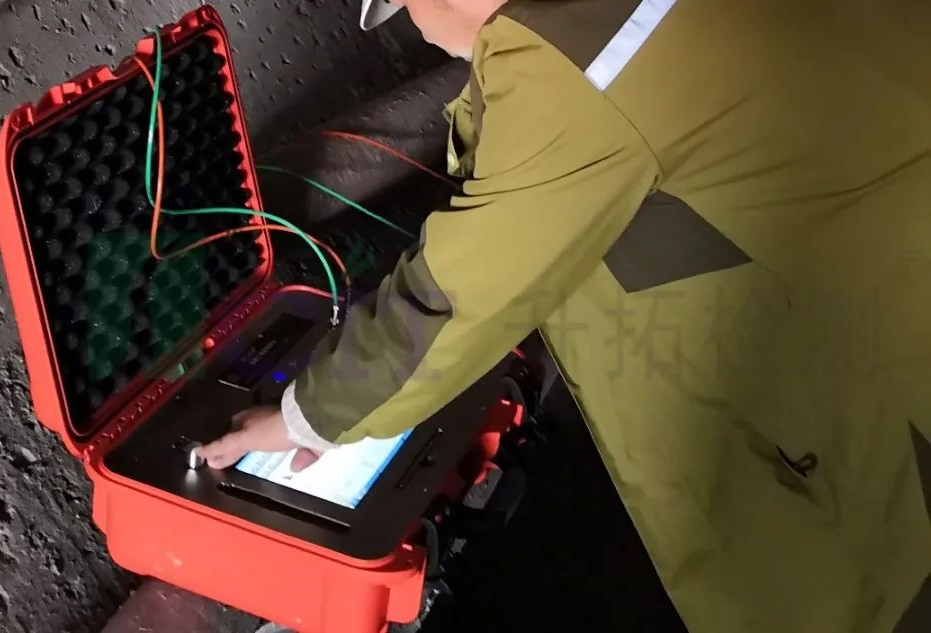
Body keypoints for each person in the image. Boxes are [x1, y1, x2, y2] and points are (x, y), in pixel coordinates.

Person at [198, 1, 931, 631]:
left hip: (890, 425)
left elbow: (452, 302)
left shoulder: (578, 72)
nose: (415, 30)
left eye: (405, 7)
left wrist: (306, 416)